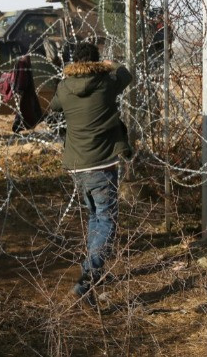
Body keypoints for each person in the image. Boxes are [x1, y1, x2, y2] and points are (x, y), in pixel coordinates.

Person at [47, 42, 132, 300]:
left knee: (95, 217)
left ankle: (90, 272)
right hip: (102, 164)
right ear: (97, 61)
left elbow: (53, 106)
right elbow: (126, 74)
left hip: (77, 166)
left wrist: (67, 77)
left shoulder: (64, 87)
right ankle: (87, 280)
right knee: (107, 221)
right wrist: (107, 64)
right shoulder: (106, 83)